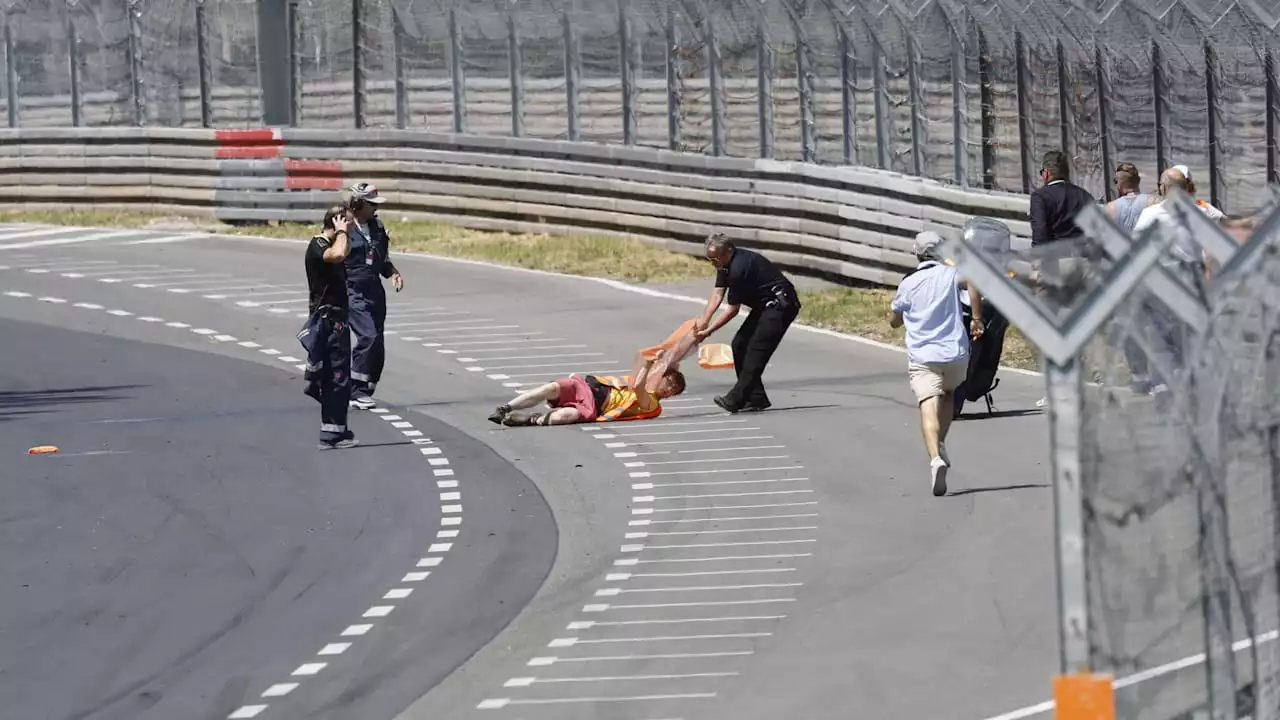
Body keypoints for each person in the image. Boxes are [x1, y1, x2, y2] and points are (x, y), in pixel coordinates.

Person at [889, 232, 984, 497]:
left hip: (924, 356)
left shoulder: (909, 283)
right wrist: (977, 319)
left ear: (917, 254)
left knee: (927, 403)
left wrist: (895, 320)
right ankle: (940, 442)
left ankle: (935, 457)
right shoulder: (951, 274)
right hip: (955, 353)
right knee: (949, 394)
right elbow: (974, 282)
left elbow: (895, 318)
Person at [693, 233, 800, 413]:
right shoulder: (723, 265)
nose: (714, 263)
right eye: (710, 259)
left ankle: (736, 399)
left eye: (717, 258)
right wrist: (704, 320)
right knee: (739, 345)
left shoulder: (738, 269)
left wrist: (709, 331)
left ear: (729, 251)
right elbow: (718, 292)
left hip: (779, 307)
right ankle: (756, 397)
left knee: (756, 353)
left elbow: (732, 310)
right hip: (763, 306)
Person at [487, 352, 687, 426]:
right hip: (591, 387)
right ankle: (505, 408)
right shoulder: (651, 379)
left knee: (566, 416)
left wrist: (647, 365)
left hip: (598, 406)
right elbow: (672, 357)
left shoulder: (652, 404)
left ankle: (532, 419)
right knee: (551, 387)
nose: (664, 384)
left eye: (669, 385)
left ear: (669, 393)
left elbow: (637, 387)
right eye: (666, 380)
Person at [300, 205, 359, 449]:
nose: (352, 228)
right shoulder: (319, 244)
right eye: (349, 223)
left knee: (336, 376)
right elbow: (336, 255)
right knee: (337, 377)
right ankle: (331, 434)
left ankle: (336, 429)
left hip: (336, 319)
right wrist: (342, 231)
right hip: (329, 321)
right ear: (337, 222)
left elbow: (344, 255)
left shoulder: (334, 243)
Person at [344, 181, 405, 410]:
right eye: (371, 204)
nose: (375, 209)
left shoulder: (377, 227)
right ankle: (356, 391)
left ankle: (366, 388)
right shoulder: (345, 227)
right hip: (352, 290)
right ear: (358, 204)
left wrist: (393, 273)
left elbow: (382, 259)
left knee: (378, 342)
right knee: (368, 337)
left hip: (374, 290)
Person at [1029, 150, 1096, 248]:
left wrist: (1037, 257)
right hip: (1083, 256)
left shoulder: (1040, 197)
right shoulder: (1084, 195)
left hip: (1056, 257)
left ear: (1047, 173)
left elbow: (1040, 232)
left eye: (1042, 172)